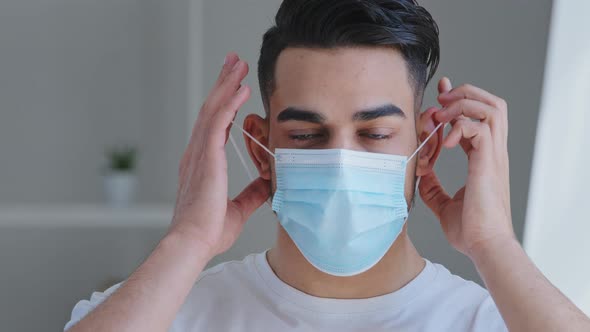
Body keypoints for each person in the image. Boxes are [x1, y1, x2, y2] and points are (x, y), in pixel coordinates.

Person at [65, 0, 590, 331]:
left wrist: (495, 246)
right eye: (307, 135)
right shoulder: (166, 313)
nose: (342, 163)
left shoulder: (498, 321)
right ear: (261, 151)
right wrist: (186, 243)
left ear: (426, 149)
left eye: (375, 134)